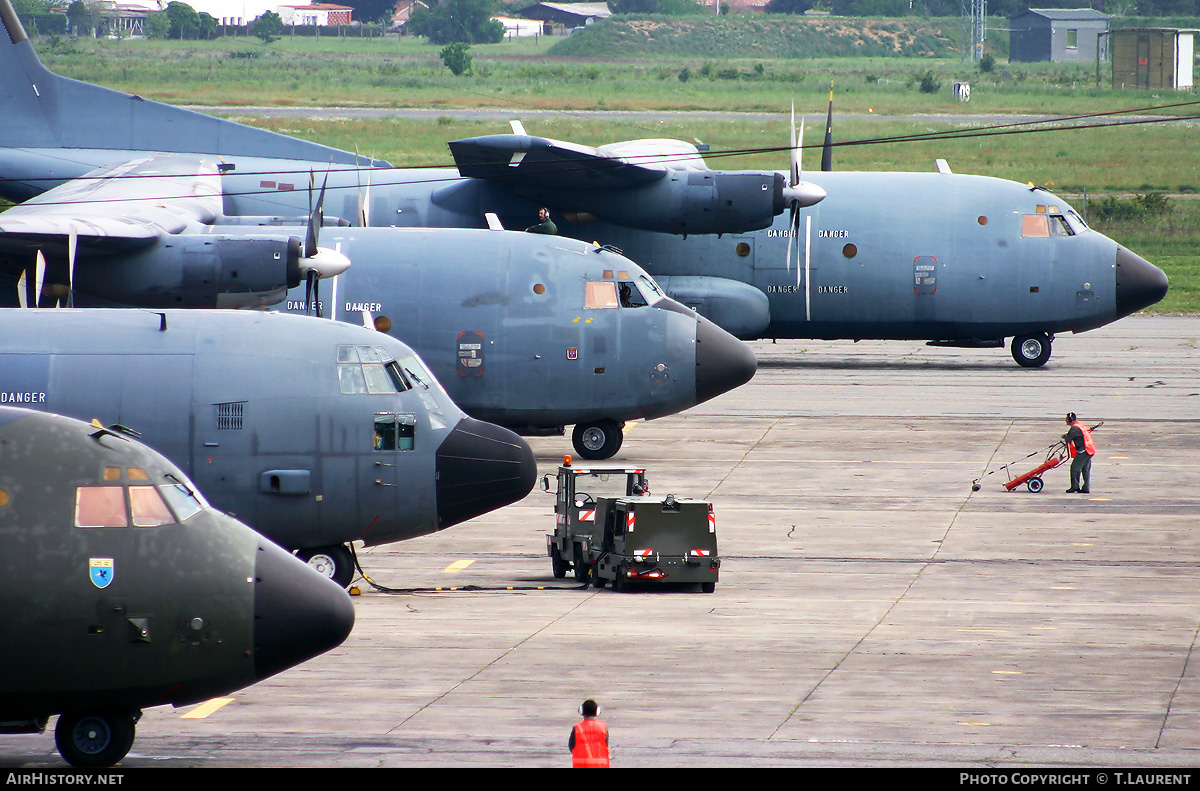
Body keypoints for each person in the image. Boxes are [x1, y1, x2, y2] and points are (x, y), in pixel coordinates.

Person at [569, 699, 609, 768]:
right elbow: (606, 744)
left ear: (582, 711)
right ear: (597, 712)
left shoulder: (577, 727)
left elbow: (571, 746)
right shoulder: (603, 727)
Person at [1062, 412, 1096, 494]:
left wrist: (1065, 437)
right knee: (1085, 469)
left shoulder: (1074, 428)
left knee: (1075, 468)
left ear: (1070, 420)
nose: (1065, 420)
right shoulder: (1080, 425)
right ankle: (1086, 488)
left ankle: (1075, 487)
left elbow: (1068, 438)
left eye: (1066, 419)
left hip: (1084, 450)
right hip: (1090, 449)